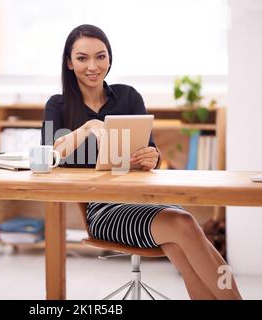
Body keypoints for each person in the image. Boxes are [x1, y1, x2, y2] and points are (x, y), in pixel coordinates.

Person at [41, 24, 242, 300]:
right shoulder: (59, 105)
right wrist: (88, 128)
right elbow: (48, 157)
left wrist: (153, 157)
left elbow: (150, 153)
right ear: (69, 62)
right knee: (183, 223)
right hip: (104, 210)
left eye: (101, 56)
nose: (93, 66)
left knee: (185, 241)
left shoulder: (128, 96)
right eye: (82, 58)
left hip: (145, 198)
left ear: (110, 59)